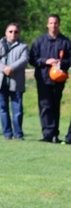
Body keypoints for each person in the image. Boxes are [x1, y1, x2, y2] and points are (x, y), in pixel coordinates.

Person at [28, 14, 71, 143]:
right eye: (51, 23)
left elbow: (70, 60)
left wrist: (60, 63)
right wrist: (46, 61)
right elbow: (32, 59)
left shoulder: (65, 42)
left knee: (55, 106)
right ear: (47, 25)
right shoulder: (39, 41)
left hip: (58, 79)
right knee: (45, 106)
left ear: (59, 24)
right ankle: (47, 134)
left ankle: (55, 134)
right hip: (43, 78)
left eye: (56, 23)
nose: (53, 25)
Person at [0, 23, 29, 140]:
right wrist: (4, 69)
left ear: (19, 33)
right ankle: (7, 133)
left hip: (16, 83)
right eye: (10, 31)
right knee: (3, 109)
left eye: (16, 32)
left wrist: (11, 68)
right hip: (0, 83)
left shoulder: (23, 46)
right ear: (6, 33)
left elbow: (24, 59)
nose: (13, 34)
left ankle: (18, 134)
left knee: (17, 110)